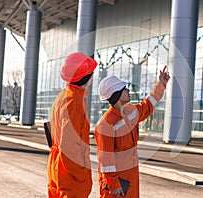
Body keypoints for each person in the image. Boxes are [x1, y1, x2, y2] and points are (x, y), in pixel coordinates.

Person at [95, 66, 170, 198]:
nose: (128, 90)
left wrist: (161, 84)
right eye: (124, 89)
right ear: (116, 94)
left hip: (130, 180)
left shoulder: (131, 111)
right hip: (116, 185)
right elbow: (106, 160)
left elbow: (148, 104)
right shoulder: (105, 125)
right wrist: (114, 185)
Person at [47, 52, 97, 197]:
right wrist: (81, 173)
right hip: (69, 174)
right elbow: (69, 145)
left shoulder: (64, 96)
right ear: (86, 76)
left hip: (58, 167)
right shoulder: (75, 100)